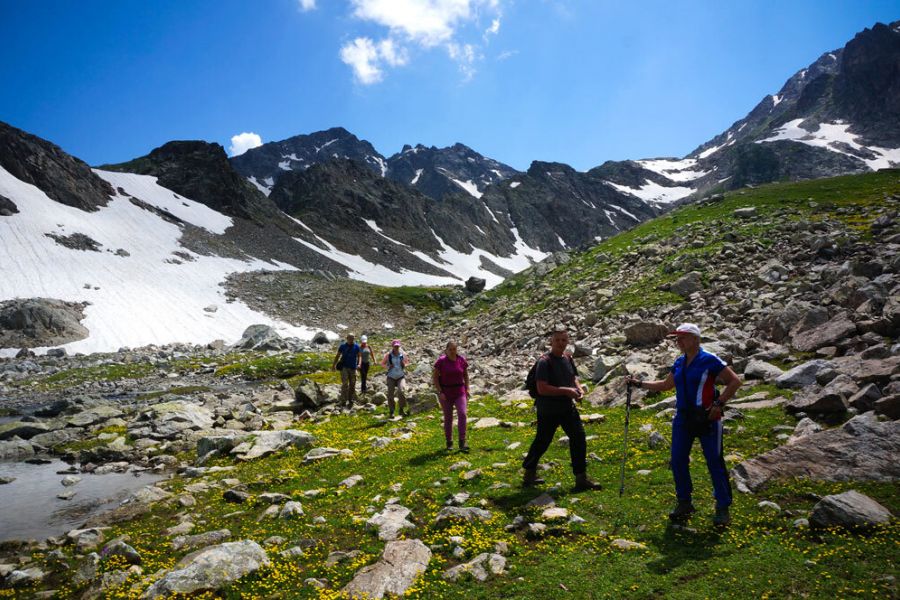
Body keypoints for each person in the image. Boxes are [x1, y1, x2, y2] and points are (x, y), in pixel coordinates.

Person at [627, 323, 742, 526]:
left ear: (696, 339)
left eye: (683, 338)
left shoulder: (710, 360)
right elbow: (665, 385)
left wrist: (719, 403)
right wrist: (638, 383)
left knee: (714, 461)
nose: (678, 342)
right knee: (678, 459)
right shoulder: (679, 362)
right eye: (677, 338)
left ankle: (723, 507)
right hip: (683, 418)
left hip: (707, 418)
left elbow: (734, 381)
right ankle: (684, 502)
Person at [522, 328, 602, 491]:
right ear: (551, 342)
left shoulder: (567, 358)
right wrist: (567, 391)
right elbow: (542, 388)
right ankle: (529, 472)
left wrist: (578, 390)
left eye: (564, 340)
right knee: (542, 441)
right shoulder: (544, 362)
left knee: (579, 438)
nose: (560, 343)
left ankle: (581, 478)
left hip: (566, 407)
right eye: (557, 340)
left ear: (567, 342)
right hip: (548, 410)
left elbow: (573, 378)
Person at [433, 341, 470, 452]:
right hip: (446, 392)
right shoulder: (441, 361)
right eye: (450, 349)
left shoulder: (461, 360)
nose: (453, 351)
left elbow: (466, 375)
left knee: (462, 414)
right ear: (446, 350)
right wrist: (440, 392)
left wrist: (467, 388)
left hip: (460, 391)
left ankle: (462, 442)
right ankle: (449, 442)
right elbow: (435, 377)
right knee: (448, 418)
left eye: (454, 349)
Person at [382, 339, 409, 418]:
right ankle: (392, 411)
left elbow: (407, 363)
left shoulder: (403, 354)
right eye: (395, 346)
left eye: (397, 346)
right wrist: (388, 366)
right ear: (392, 346)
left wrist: (404, 364)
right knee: (390, 394)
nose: (396, 347)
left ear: (399, 346)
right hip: (391, 376)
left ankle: (401, 409)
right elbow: (382, 363)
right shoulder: (388, 355)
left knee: (401, 391)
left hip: (400, 376)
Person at [333, 333, 360, 407]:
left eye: (353, 338)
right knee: (345, 384)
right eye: (350, 338)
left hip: (353, 368)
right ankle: (343, 400)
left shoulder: (357, 346)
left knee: (353, 384)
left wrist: (359, 364)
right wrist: (334, 365)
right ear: (347, 338)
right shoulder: (342, 346)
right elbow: (337, 355)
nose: (352, 340)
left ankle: (351, 399)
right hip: (344, 367)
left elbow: (359, 356)